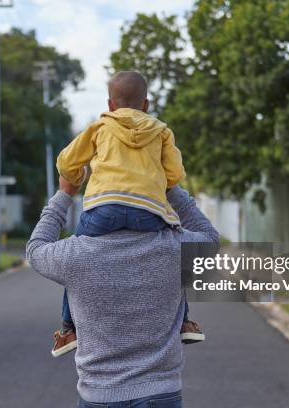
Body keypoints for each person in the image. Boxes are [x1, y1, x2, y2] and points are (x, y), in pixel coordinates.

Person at [26, 176, 219, 407]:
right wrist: (171, 188)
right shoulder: (173, 247)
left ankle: (69, 330)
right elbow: (210, 238)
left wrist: (65, 193)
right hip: (161, 393)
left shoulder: (77, 253)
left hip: (98, 394)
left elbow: (36, 248)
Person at [52, 71, 204, 357]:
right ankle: (184, 322)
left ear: (110, 105)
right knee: (178, 256)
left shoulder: (99, 127)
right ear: (145, 104)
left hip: (102, 210)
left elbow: (66, 160)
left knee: (74, 263)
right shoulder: (161, 132)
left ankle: (68, 328)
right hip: (148, 211)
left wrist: (76, 175)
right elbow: (175, 174)